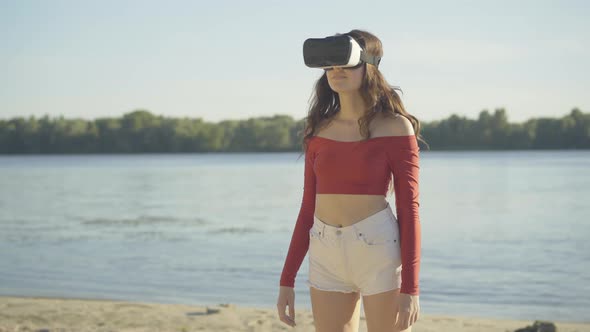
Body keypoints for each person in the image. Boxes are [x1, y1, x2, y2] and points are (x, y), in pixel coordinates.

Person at [276, 29, 428, 331]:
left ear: (368, 66)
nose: (336, 73)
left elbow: (409, 209)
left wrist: (411, 288)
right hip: (325, 251)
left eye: (345, 64)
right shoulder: (318, 129)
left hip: (377, 250)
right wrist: (286, 279)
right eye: (330, 66)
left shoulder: (395, 127)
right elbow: (308, 207)